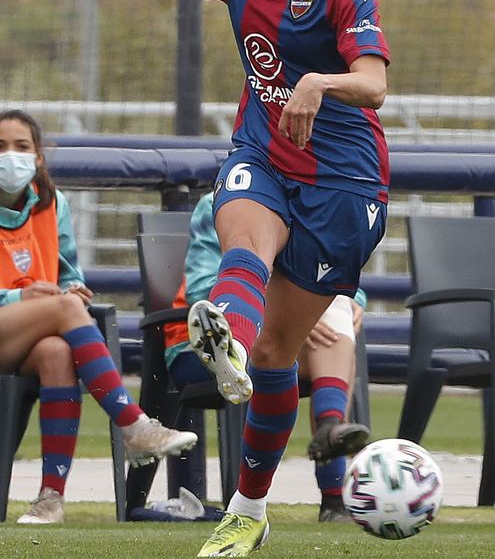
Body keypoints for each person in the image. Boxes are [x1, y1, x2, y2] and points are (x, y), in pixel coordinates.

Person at [113, 0, 391, 557]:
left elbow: (376, 83)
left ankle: (248, 508)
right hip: (265, 152)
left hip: (342, 184)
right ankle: (223, 338)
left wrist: (319, 80)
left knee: (278, 354)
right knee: (240, 226)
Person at [0, 110, 199, 524]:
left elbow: (69, 276)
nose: (9, 155)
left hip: (23, 338)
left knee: (56, 353)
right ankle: (134, 426)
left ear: (39, 157)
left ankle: (51, 498)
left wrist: (72, 290)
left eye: (21, 146)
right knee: (65, 312)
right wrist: (19, 296)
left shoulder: (54, 205)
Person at [159, 192, 372, 523]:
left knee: (339, 306)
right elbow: (205, 292)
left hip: (279, 344)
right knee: (328, 316)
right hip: (209, 340)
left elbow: (339, 272)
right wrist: (290, 312)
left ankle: (331, 436)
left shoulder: (314, 204)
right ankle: (332, 487)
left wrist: (336, 303)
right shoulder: (222, 202)